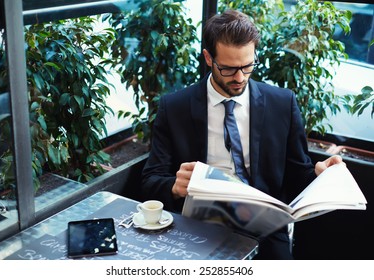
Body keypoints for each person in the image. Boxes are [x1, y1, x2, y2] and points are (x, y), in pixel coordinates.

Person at [140, 10, 343, 259]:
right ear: (208, 58)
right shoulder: (174, 108)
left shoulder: (282, 104)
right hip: (197, 225)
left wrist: (318, 174)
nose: (239, 78)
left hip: (265, 227)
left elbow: (297, 174)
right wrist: (174, 186)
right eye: (228, 69)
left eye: (247, 66)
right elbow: (150, 181)